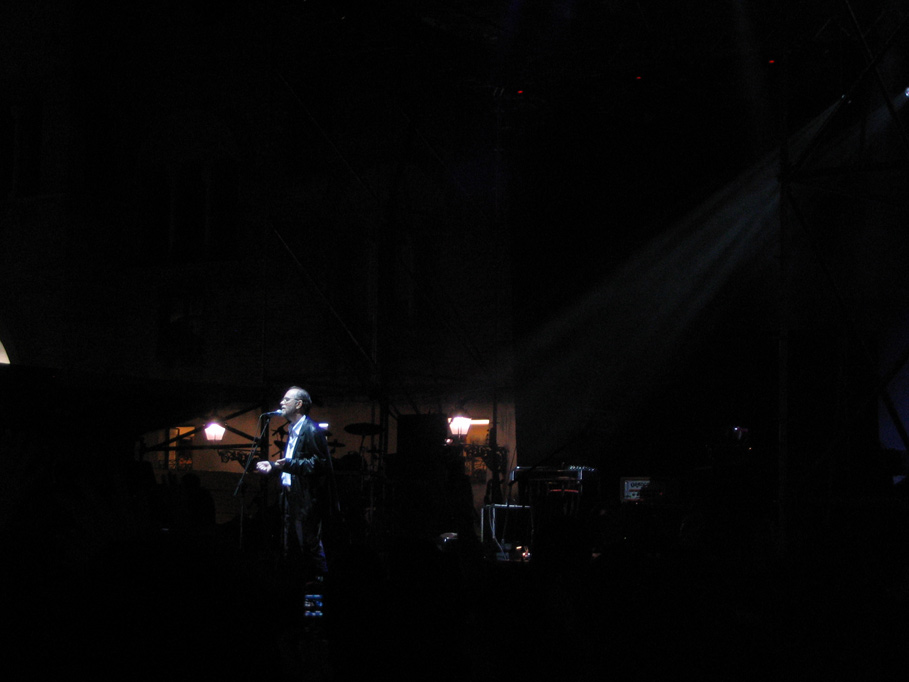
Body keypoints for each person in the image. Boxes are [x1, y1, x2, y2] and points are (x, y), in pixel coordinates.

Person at [256, 386, 331, 585]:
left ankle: (319, 585)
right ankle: (293, 582)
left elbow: (319, 464)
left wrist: (288, 464)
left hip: (305, 497)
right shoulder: (294, 428)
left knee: (309, 543)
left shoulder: (311, 429)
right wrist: (273, 466)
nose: (281, 403)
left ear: (298, 404)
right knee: (290, 543)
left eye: (286, 399)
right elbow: (292, 461)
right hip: (289, 495)